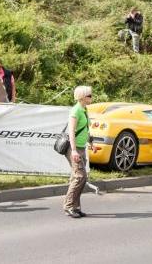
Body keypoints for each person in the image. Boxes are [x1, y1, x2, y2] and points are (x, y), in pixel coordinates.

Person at [63, 86, 96, 218]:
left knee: (77, 177)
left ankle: (75, 207)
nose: (91, 97)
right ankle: (69, 206)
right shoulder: (76, 111)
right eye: (89, 95)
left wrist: (91, 144)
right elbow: (71, 131)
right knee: (80, 177)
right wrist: (74, 151)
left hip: (81, 147)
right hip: (74, 148)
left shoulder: (84, 110)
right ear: (82, 97)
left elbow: (85, 130)